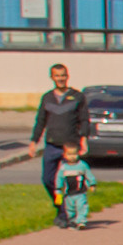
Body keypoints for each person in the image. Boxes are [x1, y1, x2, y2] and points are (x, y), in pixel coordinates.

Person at [24, 63, 84, 210]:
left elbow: (84, 120)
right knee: (48, 180)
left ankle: (71, 212)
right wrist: (34, 141)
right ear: (52, 77)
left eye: (63, 75)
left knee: (70, 182)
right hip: (51, 145)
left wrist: (84, 140)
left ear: (67, 76)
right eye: (57, 76)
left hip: (70, 146)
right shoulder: (47, 98)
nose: (61, 78)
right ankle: (60, 208)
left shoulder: (77, 96)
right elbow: (40, 121)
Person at [52, 149, 97, 230]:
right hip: (68, 193)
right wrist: (58, 189)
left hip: (80, 192)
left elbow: (88, 174)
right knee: (70, 208)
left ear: (78, 154)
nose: (72, 157)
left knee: (81, 206)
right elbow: (59, 179)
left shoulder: (82, 165)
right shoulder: (63, 168)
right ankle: (72, 221)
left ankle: (81, 221)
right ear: (64, 155)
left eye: (74, 154)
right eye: (69, 154)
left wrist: (92, 184)